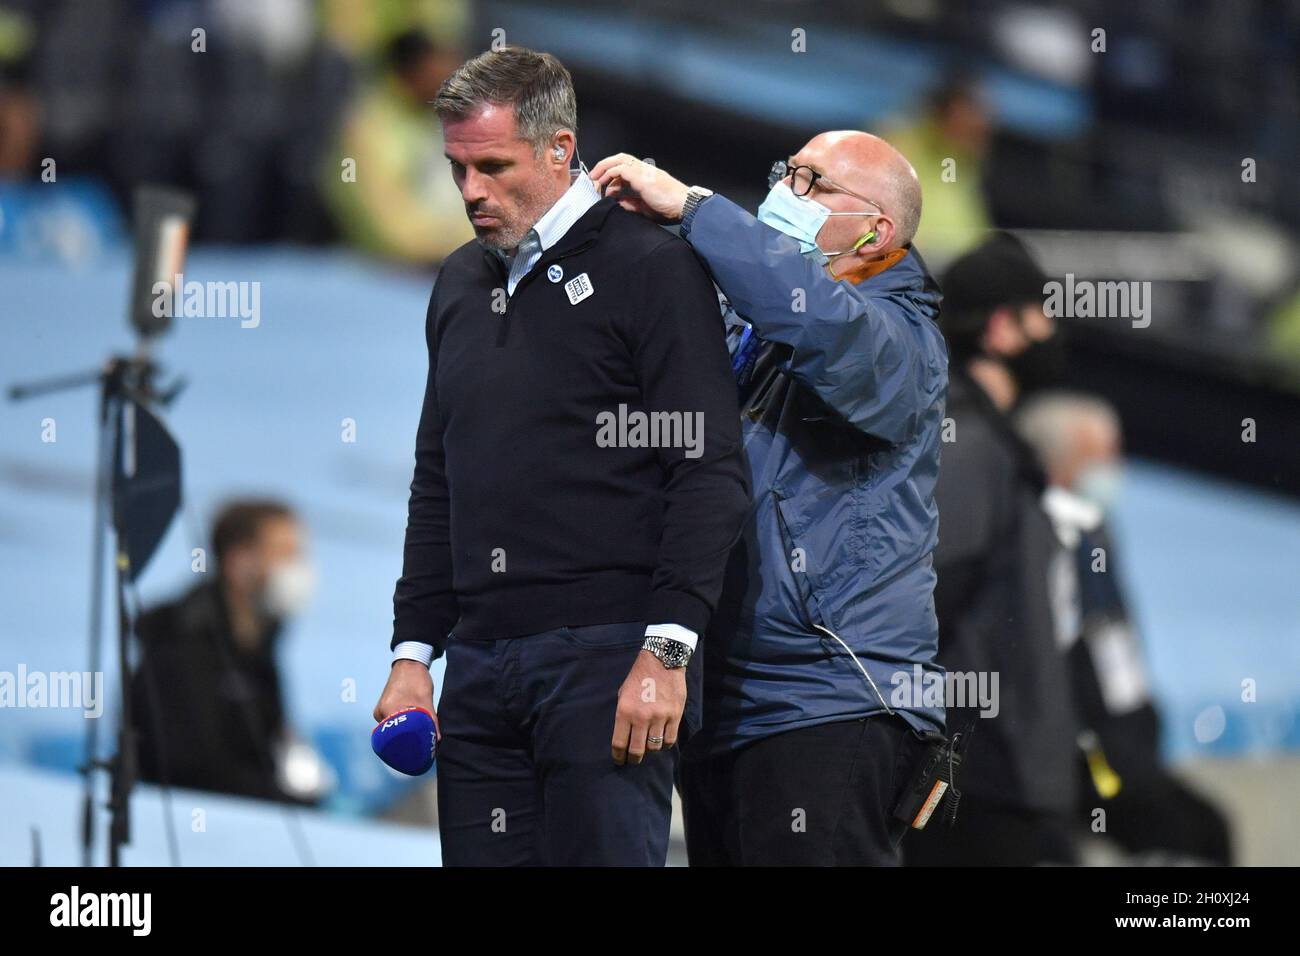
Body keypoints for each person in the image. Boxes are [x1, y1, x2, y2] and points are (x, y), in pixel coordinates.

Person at [372, 47, 749, 867]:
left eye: (493, 167)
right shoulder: (458, 285)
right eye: (456, 168)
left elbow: (709, 471)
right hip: (476, 670)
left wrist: (669, 649)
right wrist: (412, 654)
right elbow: (438, 478)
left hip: (611, 661)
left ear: (558, 148)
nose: (470, 191)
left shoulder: (652, 267)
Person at [591, 131, 948, 865]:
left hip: (833, 699)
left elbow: (818, 320)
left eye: (811, 182)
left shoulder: (903, 342)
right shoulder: (744, 322)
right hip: (721, 698)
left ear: (876, 230)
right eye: (786, 173)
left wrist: (694, 209)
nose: (786, 194)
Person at [903, 232, 1081, 866]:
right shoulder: (971, 443)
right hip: (977, 777)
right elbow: (932, 597)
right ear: (1004, 329)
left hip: (995, 771)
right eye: (1042, 313)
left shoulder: (990, 441)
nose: (1055, 330)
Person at [1015, 393, 1233, 864]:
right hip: (1072, 757)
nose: (1115, 469)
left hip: (1124, 749)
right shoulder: (1034, 539)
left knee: (1206, 827)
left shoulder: (1096, 533)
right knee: (1172, 829)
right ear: (1062, 464)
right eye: (1103, 456)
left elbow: (1115, 654)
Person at [131, 499, 328, 804]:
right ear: (238, 560)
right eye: (286, 554)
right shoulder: (180, 646)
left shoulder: (259, 643)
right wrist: (290, 800)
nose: (299, 568)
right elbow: (192, 773)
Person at [322, 29, 476, 263]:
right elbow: (394, 235)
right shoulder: (368, 131)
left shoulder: (447, 116)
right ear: (410, 73)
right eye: (440, 73)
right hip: (389, 273)